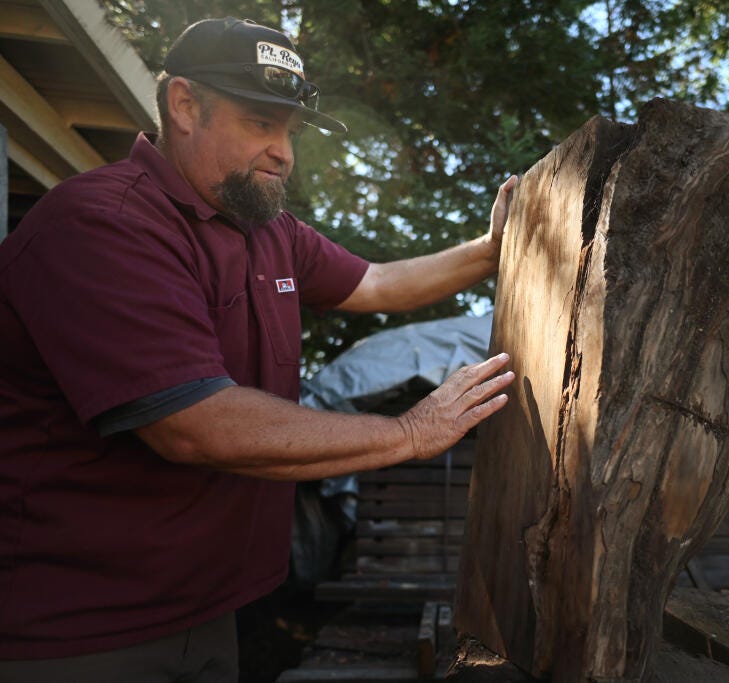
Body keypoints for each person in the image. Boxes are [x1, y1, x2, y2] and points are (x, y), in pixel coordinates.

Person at [0, 17, 517, 682]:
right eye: (260, 123)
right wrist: (411, 431)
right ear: (183, 105)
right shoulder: (104, 223)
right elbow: (195, 425)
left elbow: (379, 281)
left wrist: (491, 249)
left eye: (290, 131)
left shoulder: (267, 229)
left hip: (212, 608)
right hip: (80, 629)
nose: (283, 153)